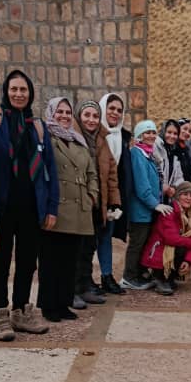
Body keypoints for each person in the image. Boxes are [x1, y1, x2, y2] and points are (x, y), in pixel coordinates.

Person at [0, 69, 57, 340]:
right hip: (1, 208)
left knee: (27, 263)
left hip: (30, 208)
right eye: (14, 89)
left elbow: (50, 169)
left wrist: (51, 207)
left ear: (30, 93)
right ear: (6, 91)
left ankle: (21, 310)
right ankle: (0, 314)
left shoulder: (38, 127)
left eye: (23, 90)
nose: (18, 94)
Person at [37, 97, 98, 321]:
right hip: (57, 208)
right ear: (51, 113)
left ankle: (64, 302)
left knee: (70, 260)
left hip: (79, 208)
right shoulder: (46, 137)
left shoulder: (78, 141)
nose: (64, 116)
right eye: (59, 111)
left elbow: (91, 172)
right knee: (51, 260)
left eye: (67, 112)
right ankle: (49, 305)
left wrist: (92, 195)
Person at [74, 100, 121, 307]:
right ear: (79, 116)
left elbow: (111, 173)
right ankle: (73, 289)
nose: (91, 120)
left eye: (95, 116)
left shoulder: (102, 140)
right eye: (87, 115)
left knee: (89, 248)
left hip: (96, 203)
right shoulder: (72, 137)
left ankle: (85, 287)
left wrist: (113, 201)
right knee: (76, 249)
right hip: (77, 203)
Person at [121, 120, 169, 290]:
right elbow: (141, 186)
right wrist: (155, 204)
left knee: (143, 243)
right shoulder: (137, 154)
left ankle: (139, 273)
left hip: (147, 210)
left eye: (153, 132)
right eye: (147, 132)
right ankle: (129, 277)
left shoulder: (148, 154)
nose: (151, 135)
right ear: (140, 135)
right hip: (140, 210)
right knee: (137, 244)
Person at [97, 91, 131, 295]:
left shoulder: (123, 137)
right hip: (94, 196)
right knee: (88, 242)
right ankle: (83, 281)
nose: (115, 113)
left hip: (112, 196)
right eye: (111, 108)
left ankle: (106, 276)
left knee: (106, 236)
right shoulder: (95, 133)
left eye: (119, 110)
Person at [141, 181, 191, 296]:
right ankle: (159, 278)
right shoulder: (169, 212)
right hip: (158, 253)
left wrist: (188, 261)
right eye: (185, 194)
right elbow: (171, 239)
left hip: (170, 252)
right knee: (180, 247)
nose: (188, 198)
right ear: (178, 195)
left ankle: (169, 278)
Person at [154, 119, 185, 203]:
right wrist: (162, 186)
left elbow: (179, 177)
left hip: (167, 198)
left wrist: (174, 187)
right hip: (154, 196)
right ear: (163, 132)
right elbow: (152, 171)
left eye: (175, 133)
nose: (172, 136)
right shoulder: (155, 147)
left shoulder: (174, 151)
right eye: (169, 132)